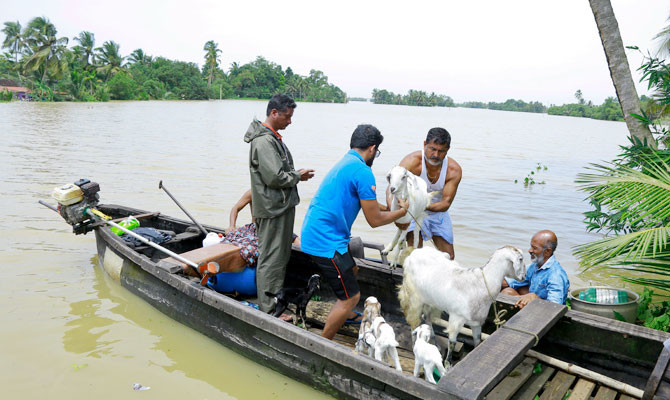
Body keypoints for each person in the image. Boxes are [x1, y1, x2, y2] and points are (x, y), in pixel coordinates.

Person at [301, 124, 409, 340]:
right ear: (372, 148)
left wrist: (389, 208)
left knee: (353, 269)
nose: (375, 156)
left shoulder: (347, 162)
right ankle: (324, 343)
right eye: (376, 152)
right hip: (325, 242)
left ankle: (346, 313)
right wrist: (402, 213)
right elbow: (374, 221)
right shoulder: (363, 172)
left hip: (318, 233)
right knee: (351, 297)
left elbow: (369, 204)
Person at [243, 94, 314, 314]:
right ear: (274, 113)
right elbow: (274, 176)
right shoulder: (264, 141)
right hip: (273, 209)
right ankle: (269, 308)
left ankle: (274, 302)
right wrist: (297, 176)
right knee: (271, 258)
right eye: (287, 116)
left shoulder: (271, 138)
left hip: (278, 207)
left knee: (278, 256)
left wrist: (294, 175)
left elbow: (276, 173)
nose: (289, 121)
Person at [390, 127, 462, 260]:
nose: (435, 155)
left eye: (441, 151)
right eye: (432, 149)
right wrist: (396, 216)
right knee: (415, 253)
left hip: (436, 210)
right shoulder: (411, 163)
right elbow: (392, 190)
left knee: (449, 257)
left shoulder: (453, 170)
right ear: (424, 145)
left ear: (448, 150)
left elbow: (445, 204)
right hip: (411, 209)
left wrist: (421, 205)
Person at [501, 230, 570, 309]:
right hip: (535, 303)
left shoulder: (556, 275)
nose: (529, 250)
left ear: (547, 251)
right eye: (531, 246)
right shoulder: (535, 265)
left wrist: (534, 297)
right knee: (508, 290)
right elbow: (513, 280)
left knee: (506, 293)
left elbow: (555, 306)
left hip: (546, 312)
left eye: (534, 248)